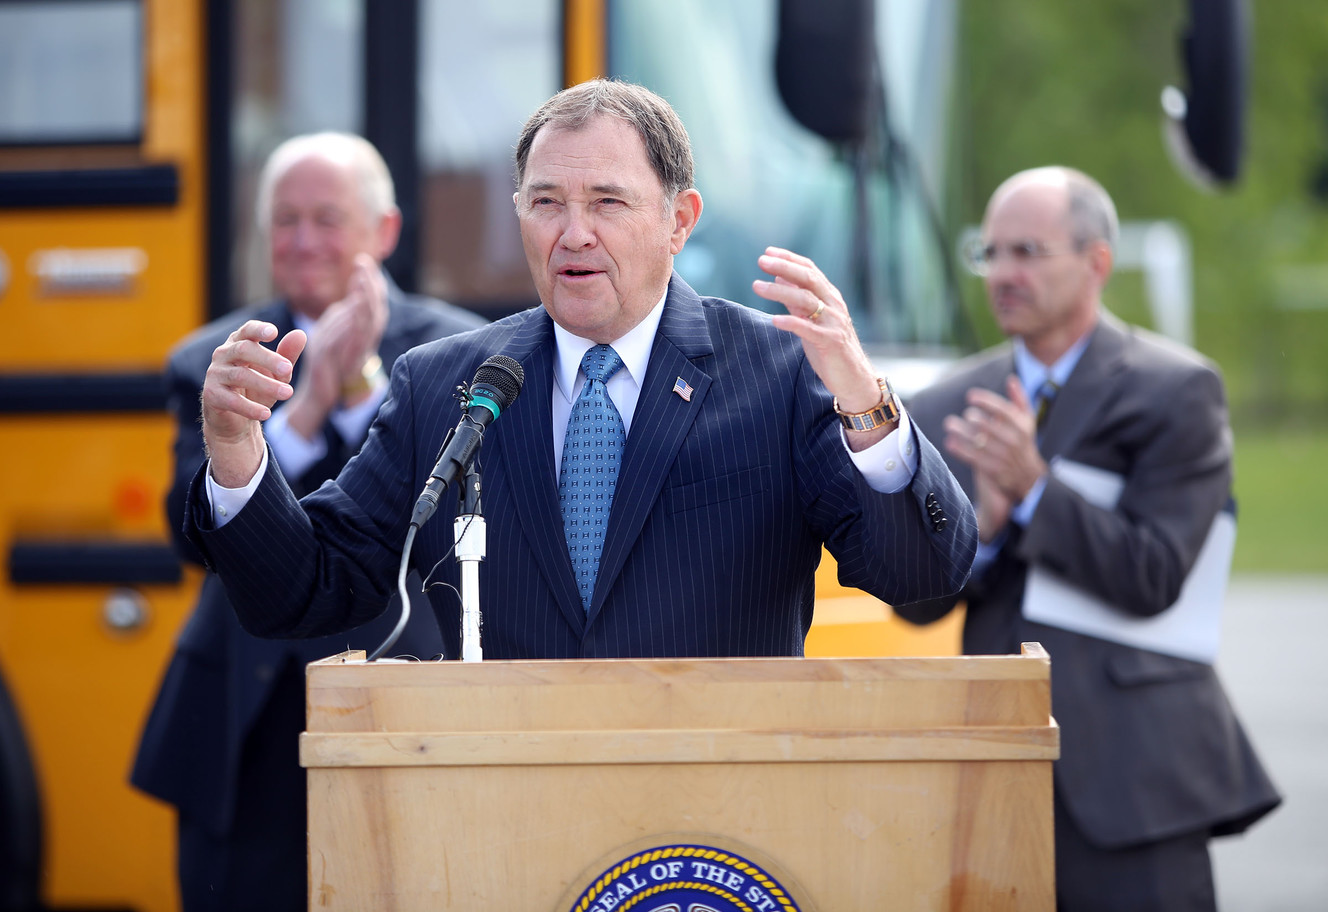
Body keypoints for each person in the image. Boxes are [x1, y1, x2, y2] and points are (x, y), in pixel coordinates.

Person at [182, 78, 976, 664]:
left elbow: (921, 574)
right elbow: (304, 589)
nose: (573, 234)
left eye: (607, 203)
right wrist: (236, 452)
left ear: (679, 220)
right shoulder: (445, 385)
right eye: (546, 203)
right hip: (511, 807)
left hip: (714, 815)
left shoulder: (777, 371)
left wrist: (867, 404)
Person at [896, 166, 1280, 911]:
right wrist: (982, 532)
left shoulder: (1176, 391)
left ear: (1096, 261)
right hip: (992, 768)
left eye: (1027, 252)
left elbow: (1154, 574)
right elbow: (913, 604)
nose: (1003, 273)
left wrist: (1036, 489)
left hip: (1137, 778)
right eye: (990, 252)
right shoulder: (943, 405)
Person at [131, 132, 486, 911]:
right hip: (245, 717)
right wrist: (308, 405)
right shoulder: (215, 357)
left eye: (327, 219)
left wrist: (360, 390)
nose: (303, 241)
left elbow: (441, 510)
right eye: (285, 221)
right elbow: (190, 533)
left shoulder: (459, 352)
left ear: (383, 231)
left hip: (405, 694)